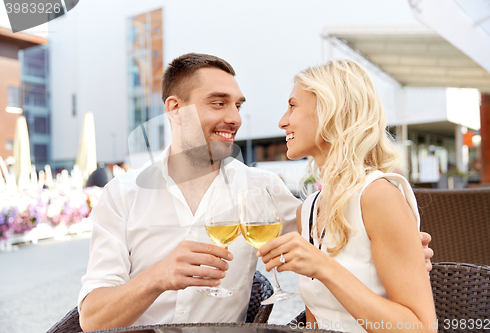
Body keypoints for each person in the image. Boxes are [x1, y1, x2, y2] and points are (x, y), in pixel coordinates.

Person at [78, 53, 434, 331]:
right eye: (218, 103)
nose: (234, 118)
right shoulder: (122, 195)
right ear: (174, 109)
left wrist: (399, 248)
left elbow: (343, 238)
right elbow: (92, 318)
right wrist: (156, 277)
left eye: (238, 105)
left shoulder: (263, 189)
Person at [258, 60, 436, 332]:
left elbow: (421, 328)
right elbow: (316, 319)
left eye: (293, 106)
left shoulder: (378, 196)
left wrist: (324, 268)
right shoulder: (307, 211)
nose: (283, 121)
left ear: (331, 111)